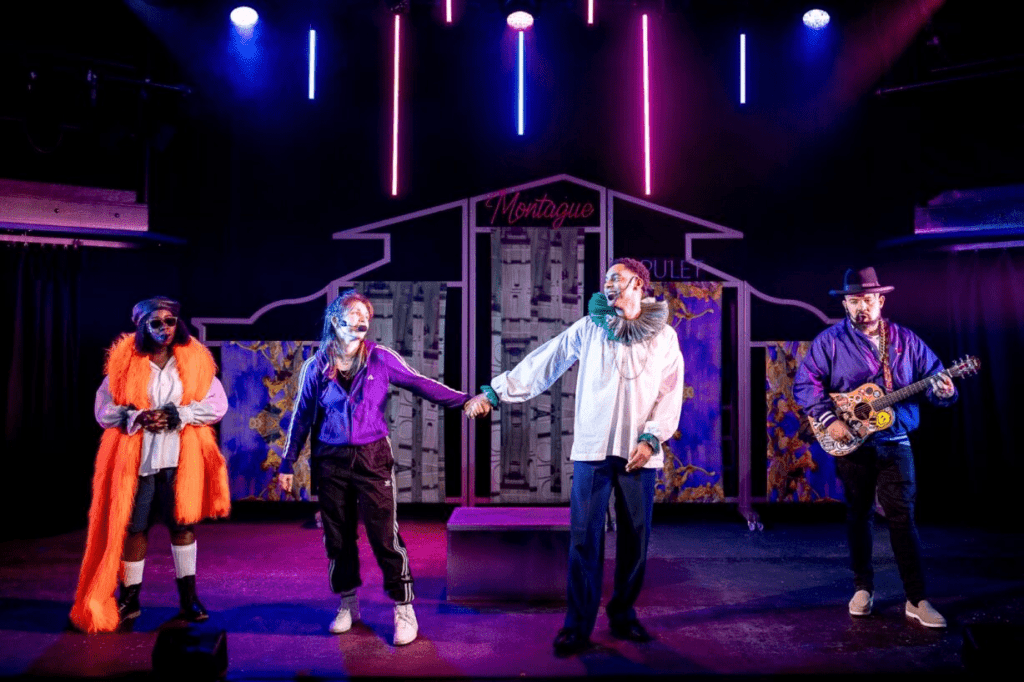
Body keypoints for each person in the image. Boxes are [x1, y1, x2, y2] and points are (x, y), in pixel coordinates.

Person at [464, 258, 684, 656]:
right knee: (584, 539)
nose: (608, 284)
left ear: (637, 284)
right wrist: (496, 392)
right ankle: (577, 626)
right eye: (606, 279)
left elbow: (670, 391)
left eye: (616, 278)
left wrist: (652, 438)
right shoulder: (590, 328)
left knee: (636, 539)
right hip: (593, 450)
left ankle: (623, 614)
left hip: (639, 452)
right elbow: (545, 361)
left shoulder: (663, 336)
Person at [279, 289, 483, 646]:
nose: (362, 320)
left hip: (372, 456)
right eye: (354, 313)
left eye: (366, 316)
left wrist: (465, 401)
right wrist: (287, 461)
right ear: (335, 321)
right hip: (330, 459)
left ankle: (404, 608)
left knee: (384, 535)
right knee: (337, 536)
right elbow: (301, 416)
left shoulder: (380, 358)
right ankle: (347, 602)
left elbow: (421, 383)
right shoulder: (317, 366)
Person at [793, 267, 956, 628]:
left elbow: (934, 379)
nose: (861, 307)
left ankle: (916, 599)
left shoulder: (906, 341)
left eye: (867, 300)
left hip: (895, 441)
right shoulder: (830, 341)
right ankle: (862, 588)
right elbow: (806, 383)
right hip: (853, 443)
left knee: (903, 518)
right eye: (854, 301)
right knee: (858, 515)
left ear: (880, 300)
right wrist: (828, 419)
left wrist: (944, 390)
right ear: (845, 305)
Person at [70, 297, 231, 633]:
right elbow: (103, 409)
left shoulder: (195, 359)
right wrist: (136, 416)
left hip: (179, 458)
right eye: (156, 323)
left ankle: (189, 599)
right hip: (138, 459)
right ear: (142, 326)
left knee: (183, 525)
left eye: (169, 321)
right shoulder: (126, 361)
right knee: (134, 528)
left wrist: (179, 414)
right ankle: (130, 600)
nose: (164, 329)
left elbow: (217, 403)